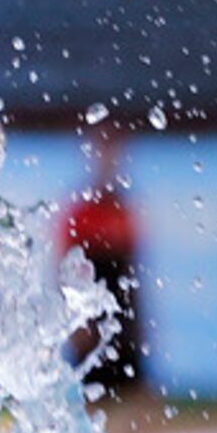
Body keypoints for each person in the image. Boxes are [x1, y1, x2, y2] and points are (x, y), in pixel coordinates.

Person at [53, 129, 145, 405]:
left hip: (120, 318)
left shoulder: (123, 212)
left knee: (131, 397)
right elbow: (66, 273)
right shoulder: (81, 214)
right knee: (91, 396)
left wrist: (137, 324)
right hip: (91, 318)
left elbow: (132, 275)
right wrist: (76, 323)